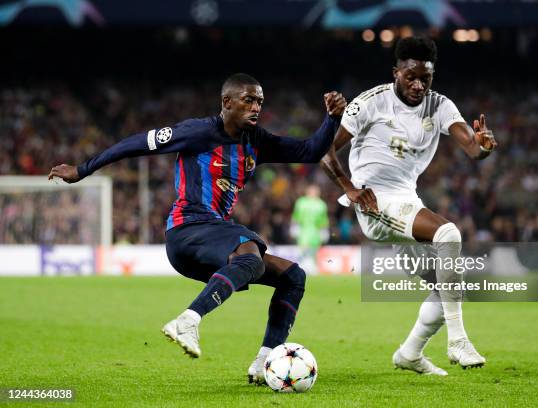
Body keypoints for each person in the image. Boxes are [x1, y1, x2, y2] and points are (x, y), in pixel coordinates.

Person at [48, 73, 346, 384]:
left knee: (292, 276)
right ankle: (188, 321)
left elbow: (309, 152)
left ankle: (262, 364)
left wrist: (332, 119)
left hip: (212, 235)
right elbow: (136, 144)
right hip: (187, 229)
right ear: (226, 102)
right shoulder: (197, 131)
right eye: (248, 100)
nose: (255, 107)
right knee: (250, 252)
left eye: (259, 101)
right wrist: (83, 169)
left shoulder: (256, 140)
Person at [321, 36, 497, 375]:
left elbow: (472, 148)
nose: (418, 85)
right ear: (396, 73)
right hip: (373, 201)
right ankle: (459, 341)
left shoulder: (439, 105)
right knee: (448, 233)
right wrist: (350, 189)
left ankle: (410, 353)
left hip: (406, 200)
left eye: (425, 78)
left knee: (451, 286)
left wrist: (484, 147)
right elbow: (324, 150)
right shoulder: (370, 102)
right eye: (410, 77)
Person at [291, 184, 329, 270]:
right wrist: (294, 227)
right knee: (303, 248)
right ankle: (302, 266)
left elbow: (324, 219)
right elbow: (296, 216)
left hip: (315, 231)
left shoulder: (321, 204)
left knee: (314, 249)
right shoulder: (301, 202)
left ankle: (312, 265)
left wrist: (324, 231)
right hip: (303, 230)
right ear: (307, 192)